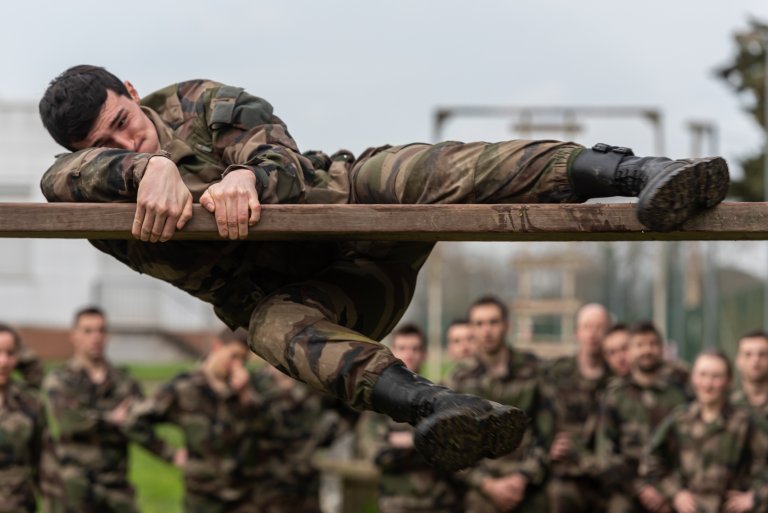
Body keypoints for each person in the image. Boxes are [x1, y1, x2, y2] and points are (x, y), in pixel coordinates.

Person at [38, 65, 729, 469]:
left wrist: (244, 178)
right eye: (105, 143)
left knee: (436, 166)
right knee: (273, 330)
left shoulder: (197, 100)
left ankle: (639, 171)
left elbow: (274, 155)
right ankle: (441, 408)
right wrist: (144, 165)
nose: (127, 137)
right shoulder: (99, 196)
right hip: (322, 295)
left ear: (133, 90)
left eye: (127, 121)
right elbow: (56, 181)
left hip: (348, 200)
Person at [124, 328, 270, 513]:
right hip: (202, 495)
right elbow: (134, 421)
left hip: (244, 494)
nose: (237, 365)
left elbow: (268, 429)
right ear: (217, 347)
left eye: (242, 360)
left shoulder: (247, 387)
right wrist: (170, 453)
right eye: (233, 356)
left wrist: (246, 397)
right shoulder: (185, 387)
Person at [43, 307, 169, 513]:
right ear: (73, 336)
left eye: (101, 330)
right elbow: (70, 421)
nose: (96, 337)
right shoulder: (60, 379)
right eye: (88, 331)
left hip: (116, 486)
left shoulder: (124, 381)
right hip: (74, 488)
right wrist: (113, 418)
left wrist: (172, 455)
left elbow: (140, 427)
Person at [448, 296, 550, 513]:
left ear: (507, 325)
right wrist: (486, 484)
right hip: (481, 488)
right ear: (472, 329)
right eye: (479, 324)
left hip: (528, 482)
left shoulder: (534, 370)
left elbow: (546, 431)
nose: (487, 330)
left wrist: (523, 477)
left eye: (493, 322)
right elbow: (452, 442)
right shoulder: (458, 379)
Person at [639, 349, 768, 513]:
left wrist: (755, 497)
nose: (708, 384)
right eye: (702, 375)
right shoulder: (680, 419)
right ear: (693, 378)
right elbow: (650, 460)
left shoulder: (746, 421)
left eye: (716, 377)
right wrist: (675, 493)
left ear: (729, 381)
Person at [357, 323, 466, 513]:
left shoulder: (443, 399)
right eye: (402, 348)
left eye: (415, 348)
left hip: (443, 503)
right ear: (392, 353)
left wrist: (407, 441)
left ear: (424, 354)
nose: (409, 354)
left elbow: (458, 448)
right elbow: (376, 455)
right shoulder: (379, 403)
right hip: (397, 504)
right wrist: (429, 440)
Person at [595, 321, 691, 513]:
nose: (647, 350)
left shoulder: (680, 394)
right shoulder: (616, 396)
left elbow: (690, 448)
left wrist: (668, 491)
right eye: (640, 345)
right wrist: (640, 489)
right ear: (629, 351)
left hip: (672, 487)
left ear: (662, 349)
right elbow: (606, 453)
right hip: (628, 488)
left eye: (653, 344)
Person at [246, 362, 349, 513]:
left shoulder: (310, 382)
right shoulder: (255, 385)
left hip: (306, 481)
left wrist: (327, 436)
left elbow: (348, 410)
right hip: (268, 481)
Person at [542, 303, 612, 513]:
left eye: (600, 328)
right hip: (566, 472)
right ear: (576, 333)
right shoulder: (556, 372)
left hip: (607, 473)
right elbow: (537, 413)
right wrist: (548, 444)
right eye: (587, 327)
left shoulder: (617, 377)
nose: (593, 334)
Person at [0, 323, 47, 513]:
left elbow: (43, 461)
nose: (3, 361)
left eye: (10, 354)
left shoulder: (30, 403)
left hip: (19, 506)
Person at [733, 330, 768, 417]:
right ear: (738, 360)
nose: (755, 360)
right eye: (748, 354)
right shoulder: (724, 405)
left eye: (762, 354)